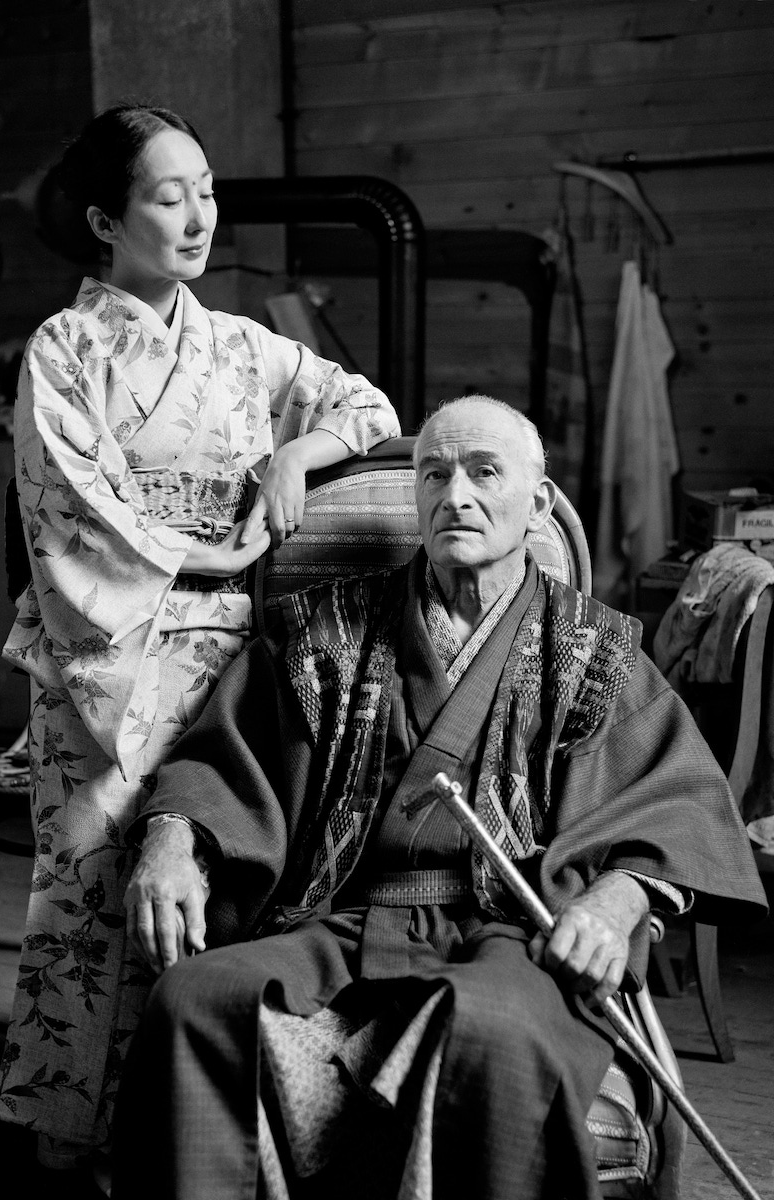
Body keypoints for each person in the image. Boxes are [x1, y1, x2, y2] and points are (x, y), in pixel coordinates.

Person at [112, 396, 765, 1200]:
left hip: (514, 931)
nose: (456, 494)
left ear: (539, 501)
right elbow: (222, 757)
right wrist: (173, 837)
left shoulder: (594, 650)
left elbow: (676, 801)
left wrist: (616, 902)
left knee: (492, 1034)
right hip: (342, 916)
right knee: (193, 1002)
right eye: (435, 474)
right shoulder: (327, 629)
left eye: (485, 473)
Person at [0, 102, 400, 1186]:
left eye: (206, 190)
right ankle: (70, 1141)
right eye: (168, 197)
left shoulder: (240, 346)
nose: (197, 215)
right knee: (91, 899)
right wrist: (212, 561)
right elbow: (71, 515)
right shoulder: (66, 348)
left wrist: (293, 456)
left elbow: (364, 404)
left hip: (227, 669)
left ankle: (193, 1136)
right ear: (104, 221)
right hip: (108, 664)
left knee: (211, 892)